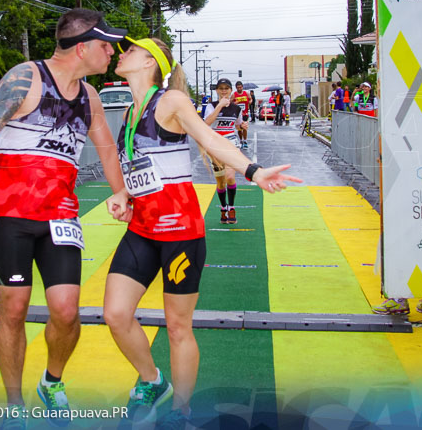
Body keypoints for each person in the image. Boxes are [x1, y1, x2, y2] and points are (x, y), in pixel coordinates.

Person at [102, 37, 302, 429]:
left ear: (149, 63)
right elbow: (145, 166)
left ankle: (181, 411)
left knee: (178, 327)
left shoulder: (172, 101)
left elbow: (209, 138)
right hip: (142, 228)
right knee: (115, 313)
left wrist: (253, 171)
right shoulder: (129, 109)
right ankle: (151, 380)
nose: (121, 54)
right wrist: (123, 193)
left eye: (130, 50)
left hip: (179, 231)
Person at [0, 8, 129, 427]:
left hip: (59, 215)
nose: (111, 52)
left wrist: (119, 192)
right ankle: (14, 404)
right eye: (106, 44)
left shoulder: (90, 96)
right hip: (12, 215)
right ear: (84, 46)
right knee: (14, 308)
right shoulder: (25, 77)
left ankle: (51, 381)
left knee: (66, 311)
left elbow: (107, 148)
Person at [199, 78, 245, 224]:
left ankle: (231, 207)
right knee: (220, 181)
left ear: (231, 90)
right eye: (221, 88)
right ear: (217, 91)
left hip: (231, 143)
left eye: (226, 88)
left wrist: (243, 125)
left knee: (230, 176)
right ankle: (223, 208)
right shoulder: (211, 106)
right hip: (215, 145)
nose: (224, 91)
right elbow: (206, 123)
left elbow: (237, 125)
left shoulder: (237, 109)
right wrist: (219, 106)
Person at [232, 81, 251, 146]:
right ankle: (241, 140)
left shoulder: (246, 93)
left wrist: (250, 102)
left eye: (240, 87)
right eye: (238, 88)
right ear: (236, 88)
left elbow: (251, 99)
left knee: (245, 127)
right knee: (239, 128)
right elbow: (230, 102)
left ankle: (245, 140)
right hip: (238, 114)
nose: (239, 89)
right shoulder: (234, 94)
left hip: (245, 113)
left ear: (242, 87)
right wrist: (234, 103)